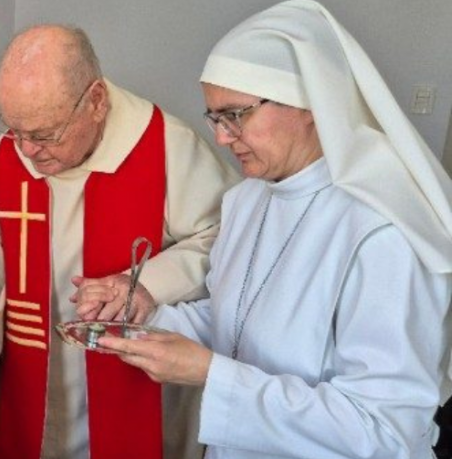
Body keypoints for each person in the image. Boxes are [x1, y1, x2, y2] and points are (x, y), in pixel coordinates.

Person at [85, 1, 452, 458]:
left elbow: (384, 431)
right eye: (214, 117)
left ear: (311, 105)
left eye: (235, 115)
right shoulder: (246, 200)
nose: (220, 137)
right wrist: (143, 315)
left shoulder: (382, 234)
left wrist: (211, 375)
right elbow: (231, 318)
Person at [0, 24, 239, 458]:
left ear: (96, 101)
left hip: (140, 383)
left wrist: (148, 285)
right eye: (14, 129)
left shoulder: (170, 149)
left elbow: (228, 242)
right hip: (41, 388)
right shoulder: (1, 162)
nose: (27, 152)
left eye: (44, 134)